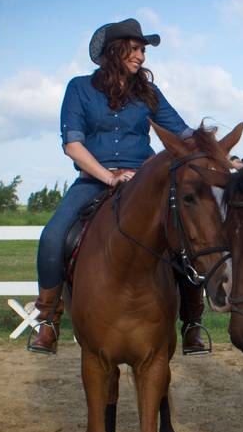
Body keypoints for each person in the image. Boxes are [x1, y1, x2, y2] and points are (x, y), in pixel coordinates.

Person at [28, 18, 208, 356]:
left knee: (185, 235)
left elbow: (183, 135)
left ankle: (192, 323)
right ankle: (49, 320)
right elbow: (73, 145)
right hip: (94, 180)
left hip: (143, 181)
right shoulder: (79, 88)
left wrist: (222, 153)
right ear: (115, 51)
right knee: (52, 236)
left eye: (143, 50)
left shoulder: (149, 93)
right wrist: (109, 177)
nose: (141, 56)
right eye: (136, 48)